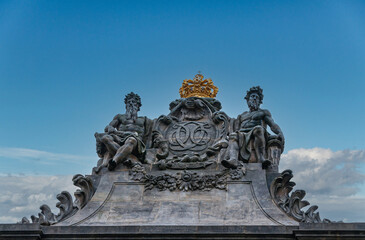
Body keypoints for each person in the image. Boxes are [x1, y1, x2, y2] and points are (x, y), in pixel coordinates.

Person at [221, 86, 284, 169]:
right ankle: (233, 159)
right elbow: (236, 129)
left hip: (257, 132)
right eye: (252, 96)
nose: (254, 99)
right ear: (248, 100)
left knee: (258, 129)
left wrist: (280, 132)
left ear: (259, 101)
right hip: (243, 134)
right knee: (233, 135)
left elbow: (272, 124)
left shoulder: (263, 112)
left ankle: (261, 158)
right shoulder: (242, 115)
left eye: (257, 97)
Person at [94, 92, 151, 171]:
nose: (131, 104)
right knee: (105, 138)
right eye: (129, 102)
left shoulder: (144, 119)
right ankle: (125, 158)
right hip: (119, 138)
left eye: (133, 102)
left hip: (136, 143)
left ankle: (114, 161)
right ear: (126, 105)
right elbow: (108, 127)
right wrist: (109, 128)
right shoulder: (119, 116)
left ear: (138, 105)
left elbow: (150, 135)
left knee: (131, 140)